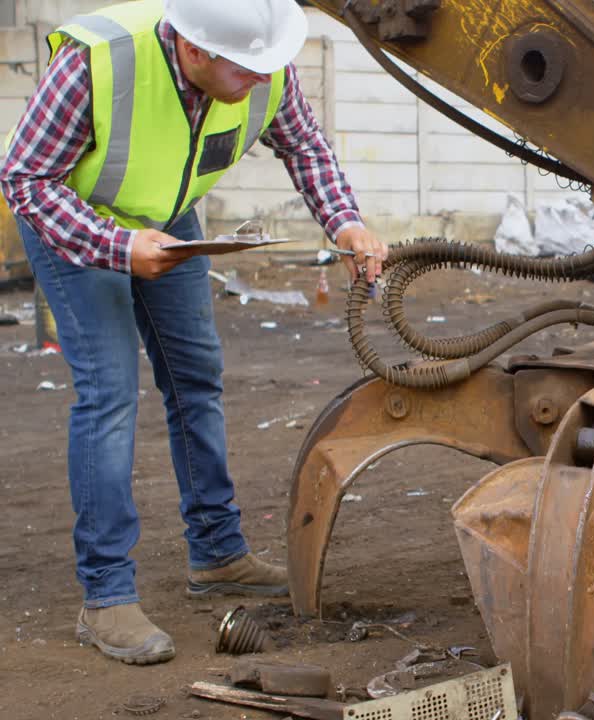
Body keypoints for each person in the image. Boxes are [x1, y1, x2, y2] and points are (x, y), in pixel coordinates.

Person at [0, 0, 388, 665]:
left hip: (169, 217)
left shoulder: (260, 59)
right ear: (193, 49)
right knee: (110, 393)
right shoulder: (98, 63)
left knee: (196, 378)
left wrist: (345, 222)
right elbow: (25, 179)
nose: (263, 80)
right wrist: (118, 247)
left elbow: (305, 146)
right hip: (77, 222)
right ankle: (106, 596)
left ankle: (217, 554)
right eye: (247, 71)